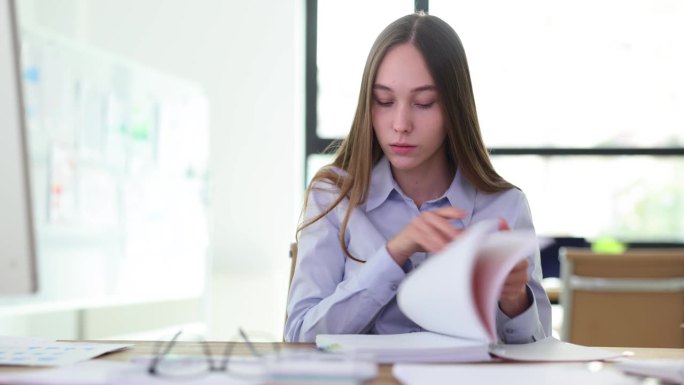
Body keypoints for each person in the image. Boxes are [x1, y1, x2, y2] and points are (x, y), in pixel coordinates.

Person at [285, 12, 551, 343]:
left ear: (454, 108)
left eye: (424, 103)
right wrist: (393, 255)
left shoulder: (505, 205)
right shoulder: (334, 196)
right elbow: (299, 336)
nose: (400, 123)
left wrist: (514, 302)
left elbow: (540, 352)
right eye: (384, 101)